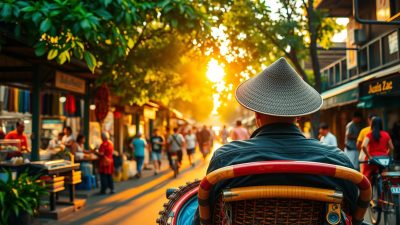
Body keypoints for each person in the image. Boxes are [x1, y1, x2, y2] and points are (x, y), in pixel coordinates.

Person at [193, 58, 358, 224]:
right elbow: (354, 209)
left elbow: (204, 218)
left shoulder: (225, 161)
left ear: (256, 115)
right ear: (299, 115)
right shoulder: (337, 163)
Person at [361, 117, 394, 182]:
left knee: (365, 178)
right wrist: (387, 154)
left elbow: (363, 146)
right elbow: (392, 147)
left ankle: (366, 190)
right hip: (384, 160)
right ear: (381, 124)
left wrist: (369, 156)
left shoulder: (369, 135)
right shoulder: (386, 134)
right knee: (385, 176)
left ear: (372, 125)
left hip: (373, 159)